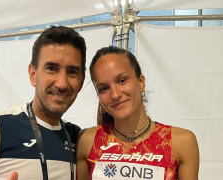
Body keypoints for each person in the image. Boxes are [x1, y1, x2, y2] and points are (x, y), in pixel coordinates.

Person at [0, 26, 87, 180]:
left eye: (72, 72)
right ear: (33, 75)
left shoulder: (78, 138)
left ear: (81, 81)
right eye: (51, 68)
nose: (62, 84)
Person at [77, 46, 199, 180]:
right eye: (104, 88)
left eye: (122, 80)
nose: (115, 94)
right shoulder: (87, 141)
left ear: (141, 83)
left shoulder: (181, 142)